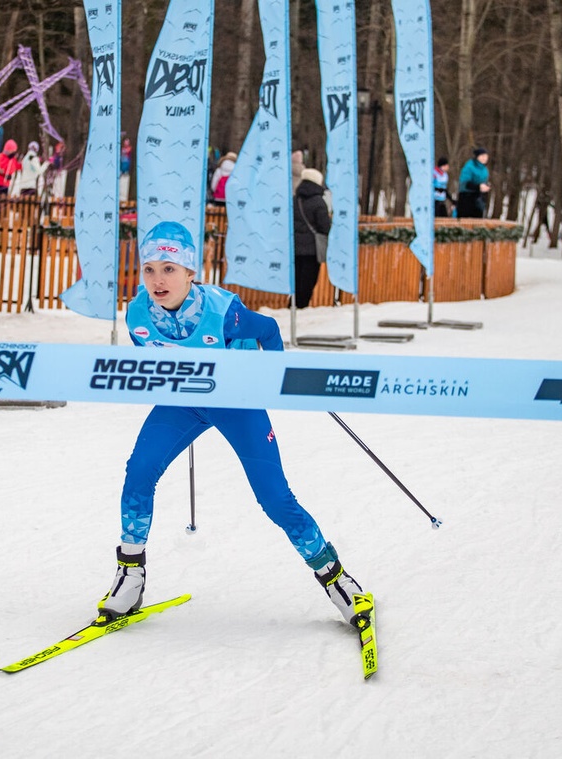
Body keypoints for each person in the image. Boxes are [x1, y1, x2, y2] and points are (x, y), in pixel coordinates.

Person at [97, 220, 369, 632]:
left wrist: (269, 381)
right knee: (138, 472)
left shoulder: (224, 314)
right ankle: (130, 575)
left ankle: (336, 578)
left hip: (236, 403)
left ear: (192, 273)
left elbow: (270, 331)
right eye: (149, 269)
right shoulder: (136, 313)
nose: (157, 279)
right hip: (182, 404)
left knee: (274, 498)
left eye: (169, 269)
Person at [293, 167, 331, 309]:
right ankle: (302, 306)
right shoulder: (318, 202)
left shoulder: (294, 200)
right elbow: (324, 227)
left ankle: (294, 305)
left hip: (295, 247)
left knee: (297, 278)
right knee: (308, 280)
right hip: (312, 249)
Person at [456, 147, 490, 218]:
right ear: (477, 157)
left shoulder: (485, 169)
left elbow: (484, 181)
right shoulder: (469, 166)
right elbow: (464, 183)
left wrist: (486, 187)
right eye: (482, 156)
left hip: (478, 198)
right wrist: (478, 187)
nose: (485, 158)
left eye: (486, 156)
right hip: (466, 197)